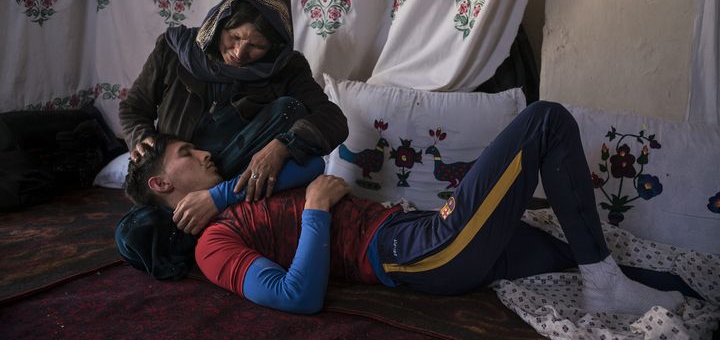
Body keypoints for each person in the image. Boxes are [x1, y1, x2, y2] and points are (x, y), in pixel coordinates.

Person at [121, 101, 686, 316]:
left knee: (568, 257)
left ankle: (617, 282)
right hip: (408, 255)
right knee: (544, 121)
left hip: (409, 226)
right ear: (163, 185)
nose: (203, 151)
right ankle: (604, 283)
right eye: (185, 155)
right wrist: (316, 213)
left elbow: (311, 165)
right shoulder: (211, 248)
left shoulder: (241, 189)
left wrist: (218, 192)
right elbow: (296, 297)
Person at [115, 0, 347, 279]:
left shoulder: (286, 69)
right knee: (132, 234)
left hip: (233, 183)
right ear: (219, 22)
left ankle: (211, 227)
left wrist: (282, 146)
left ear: (274, 46)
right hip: (178, 177)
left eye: (256, 46)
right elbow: (133, 108)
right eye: (234, 37)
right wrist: (142, 138)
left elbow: (333, 120)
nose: (239, 52)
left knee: (288, 108)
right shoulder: (175, 51)